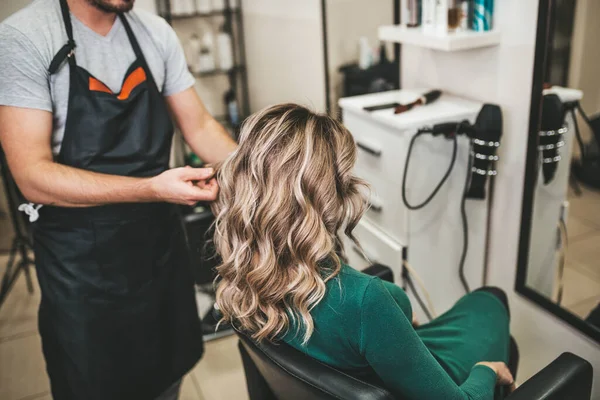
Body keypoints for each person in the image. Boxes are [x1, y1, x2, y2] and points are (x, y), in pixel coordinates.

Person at [0, 0, 237, 398]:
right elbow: (33, 177)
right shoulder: (23, 38)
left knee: (168, 375)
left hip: (159, 253)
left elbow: (199, 126)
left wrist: (266, 178)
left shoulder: (155, 33)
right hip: (83, 270)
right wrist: (150, 188)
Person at [211, 104, 515, 400]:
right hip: (434, 384)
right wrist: (485, 372)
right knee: (491, 300)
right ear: (329, 194)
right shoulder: (364, 300)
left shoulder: (242, 273)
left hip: (377, 359)